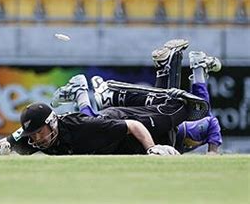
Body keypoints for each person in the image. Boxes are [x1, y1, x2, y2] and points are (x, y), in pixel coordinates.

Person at [54, 39, 223, 155]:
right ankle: (193, 67)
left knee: (97, 136)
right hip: (164, 128)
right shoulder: (191, 127)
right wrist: (213, 151)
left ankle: (179, 68)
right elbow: (210, 121)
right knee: (192, 108)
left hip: (157, 133)